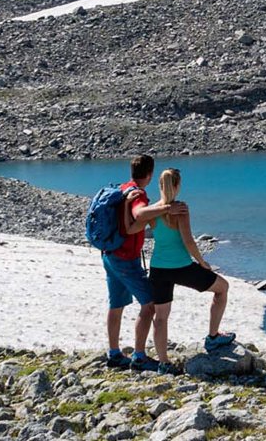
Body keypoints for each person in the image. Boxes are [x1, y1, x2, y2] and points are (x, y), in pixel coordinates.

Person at [103, 153, 187, 371]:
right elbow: (139, 214)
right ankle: (139, 356)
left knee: (116, 304)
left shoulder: (123, 188)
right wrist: (168, 208)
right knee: (149, 304)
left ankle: (114, 353)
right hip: (125, 259)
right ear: (149, 175)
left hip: (110, 253)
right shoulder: (137, 194)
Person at [146, 166, 235, 368]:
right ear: (176, 186)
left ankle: (163, 363)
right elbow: (188, 241)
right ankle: (213, 337)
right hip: (182, 267)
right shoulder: (181, 209)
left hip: (158, 269)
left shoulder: (152, 211)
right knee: (222, 288)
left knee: (160, 317)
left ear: (160, 185)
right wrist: (202, 262)